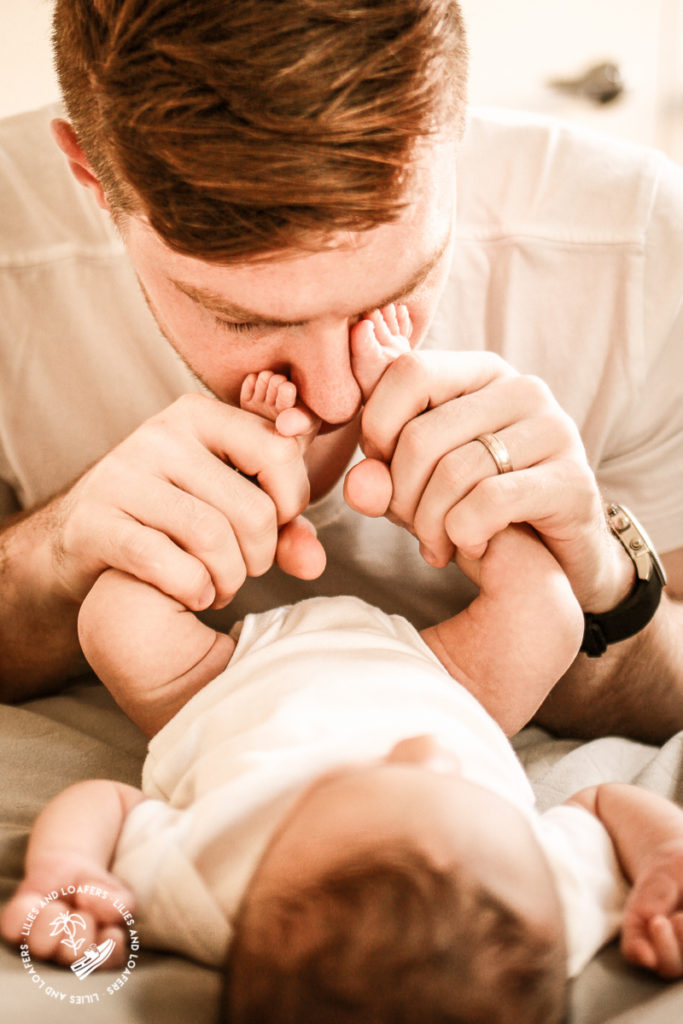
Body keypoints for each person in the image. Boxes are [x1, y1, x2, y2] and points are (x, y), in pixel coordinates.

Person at [0, 1, 681, 742]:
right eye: (242, 320)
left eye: (397, 293)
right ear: (91, 178)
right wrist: (50, 557)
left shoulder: (641, 253)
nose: (335, 395)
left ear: (456, 133)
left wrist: (605, 585)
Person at [1, 375, 683, 1023]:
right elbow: (602, 805)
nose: (421, 752)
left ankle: (243, 481)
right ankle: (447, 481)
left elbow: (109, 805)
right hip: (447, 682)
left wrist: (66, 869)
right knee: (549, 612)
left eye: (369, 775)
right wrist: (662, 861)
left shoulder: (205, 893)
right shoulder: (544, 907)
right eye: (457, 782)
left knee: (114, 617)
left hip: (216, 686)